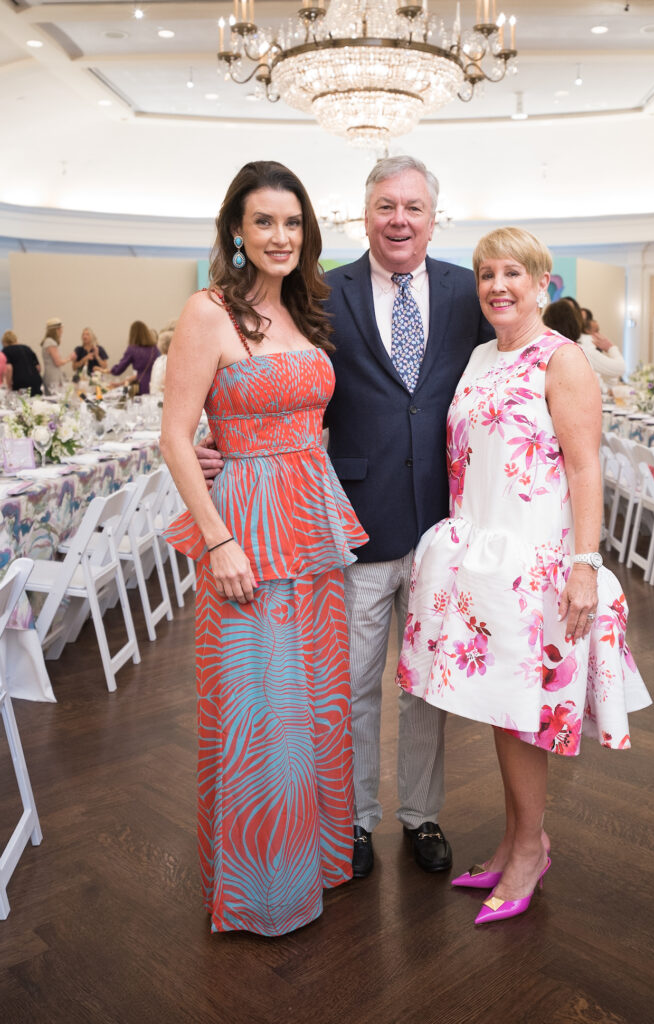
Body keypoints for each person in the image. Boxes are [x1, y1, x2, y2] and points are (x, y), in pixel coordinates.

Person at [196, 155, 494, 879]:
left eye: (414, 208)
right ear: (363, 215)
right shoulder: (319, 292)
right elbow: (279, 382)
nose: (399, 220)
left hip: (444, 526)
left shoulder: (467, 291)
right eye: (386, 206)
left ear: (434, 219)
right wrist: (219, 441)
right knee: (350, 684)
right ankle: (353, 821)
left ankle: (421, 814)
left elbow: (507, 366)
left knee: (427, 684)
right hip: (349, 523)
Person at [396, 227, 650, 925]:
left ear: (542, 284)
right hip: (481, 557)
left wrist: (584, 567)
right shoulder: (482, 355)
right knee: (500, 711)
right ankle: (516, 841)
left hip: (537, 561)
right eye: (486, 274)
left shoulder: (562, 359)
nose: (497, 286)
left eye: (513, 273)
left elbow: (585, 469)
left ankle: (531, 852)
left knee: (523, 718)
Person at [160, 160, 367, 936]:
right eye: (264, 223)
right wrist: (219, 540)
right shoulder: (207, 310)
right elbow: (175, 437)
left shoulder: (306, 311)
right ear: (237, 233)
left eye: (293, 222)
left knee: (316, 703)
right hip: (245, 529)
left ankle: (316, 863)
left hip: (312, 525)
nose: (281, 236)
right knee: (258, 708)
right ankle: (263, 892)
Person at [100, 320, 159, 395]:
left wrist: (109, 370)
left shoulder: (132, 349)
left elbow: (119, 369)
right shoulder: (155, 348)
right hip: (155, 383)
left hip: (141, 384)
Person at [578, 308, 626, 387]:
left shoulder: (590, 345)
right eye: (596, 331)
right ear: (587, 330)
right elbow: (620, 368)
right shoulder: (586, 343)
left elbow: (610, 377)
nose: (598, 335)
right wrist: (611, 347)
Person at [2, 330, 43, 395]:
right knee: (35, 399)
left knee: (22, 400)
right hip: (36, 381)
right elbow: (38, 367)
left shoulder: (6, 350)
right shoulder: (27, 348)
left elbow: (9, 368)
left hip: (20, 383)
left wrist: (9, 385)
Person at [40, 316, 74, 393]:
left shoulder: (48, 341)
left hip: (52, 375)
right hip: (53, 377)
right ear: (57, 330)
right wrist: (70, 358)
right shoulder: (50, 342)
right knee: (55, 396)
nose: (62, 331)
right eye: (61, 329)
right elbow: (58, 362)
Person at [149, 326, 173, 395]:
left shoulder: (158, 360)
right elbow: (165, 382)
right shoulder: (169, 360)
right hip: (162, 396)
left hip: (154, 394)